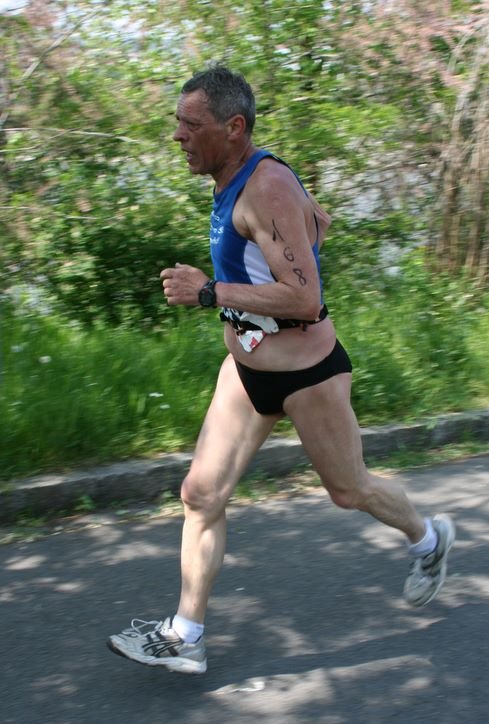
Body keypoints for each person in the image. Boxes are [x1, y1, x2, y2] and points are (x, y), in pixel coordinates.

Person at [107, 65, 455, 675]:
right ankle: (185, 635)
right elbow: (318, 223)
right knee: (200, 493)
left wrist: (212, 293)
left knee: (349, 491)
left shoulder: (264, 187)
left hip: (307, 374)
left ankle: (429, 540)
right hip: (245, 371)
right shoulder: (245, 177)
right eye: (177, 123)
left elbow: (306, 299)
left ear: (233, 128)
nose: (178, 137)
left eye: (191, 125)